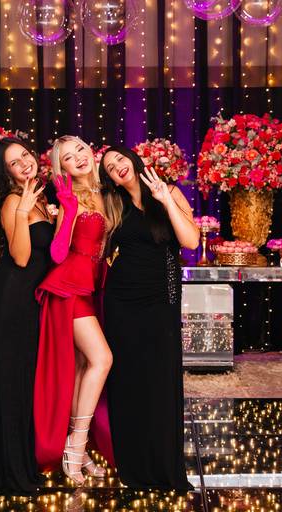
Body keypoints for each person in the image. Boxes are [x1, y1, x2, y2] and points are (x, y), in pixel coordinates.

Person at [99, 145, 199, 490]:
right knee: (129, 381)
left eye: (119, 159)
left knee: (161, 380)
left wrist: (165, 199)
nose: (117, 166)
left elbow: (190, 241)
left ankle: (164, 464)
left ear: (133, 160)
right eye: (109, 167)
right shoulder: (114, 205)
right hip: (122, 302)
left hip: (161, 300)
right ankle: (133, 465)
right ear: (110, 179)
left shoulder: (169, 191)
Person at [0, 137, 53, 495]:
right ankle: (12, 475)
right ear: (6, 174)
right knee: (11, 383)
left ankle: (21, 466)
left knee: (24, 382)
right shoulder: (13, 200)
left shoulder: (40, 197)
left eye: (25, 155)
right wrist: (22, 211)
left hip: (26, 298)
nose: (24, 163)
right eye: (14, 163)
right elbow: (21, 258)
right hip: (9, 299)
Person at [33, 135, 116, 485]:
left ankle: (79, 452)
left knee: (82, 367)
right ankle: (75, 446)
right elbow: (56, 254)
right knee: (102, 359)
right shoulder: (72, 197)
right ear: (62, 168)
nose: (78, 157)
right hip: (68, 287)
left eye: (80, 149)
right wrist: (67, 210)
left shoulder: (105, 191)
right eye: (68, 157)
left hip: (91, 286)